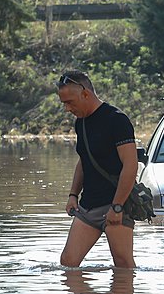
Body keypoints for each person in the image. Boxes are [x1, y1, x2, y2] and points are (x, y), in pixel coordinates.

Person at [56, 70, 138, 269]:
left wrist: (117, 206)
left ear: (85, 94)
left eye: (70, 102)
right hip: (88, 205)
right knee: (68, 263)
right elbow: (84, 160)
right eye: (63, 103)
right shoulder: (81, 123)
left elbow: (130, 165)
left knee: (123, 265)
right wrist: (73, 194)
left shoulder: (116, 120)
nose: (67, 108)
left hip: (116, 204)